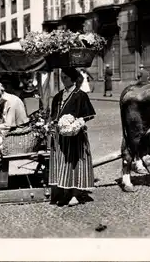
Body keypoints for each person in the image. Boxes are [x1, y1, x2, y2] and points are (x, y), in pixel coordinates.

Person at [49, 67, 96, 207]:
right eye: (62, 77)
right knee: (62, 164)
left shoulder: (80, 95)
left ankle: (75, 194)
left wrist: (77, 124)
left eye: (66, 77)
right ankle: (64, 192)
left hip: (75, 136)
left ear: (73, 78)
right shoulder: (58, 96)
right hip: (60, 136)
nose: (63, 79)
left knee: (74, 164)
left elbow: (87, 115)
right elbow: (54, 116)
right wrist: (53, 125)